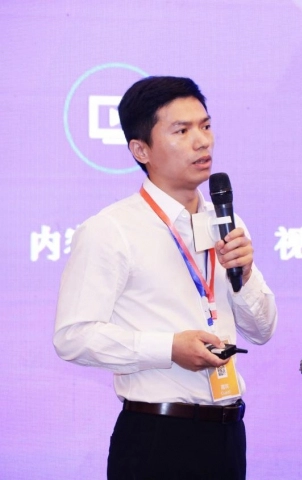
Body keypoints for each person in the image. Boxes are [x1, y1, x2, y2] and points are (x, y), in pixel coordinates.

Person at [53, 76, 277, 479]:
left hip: (228, 434)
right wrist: (168, 348)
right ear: (141, 149)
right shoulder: (111, 229)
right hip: (157, 437)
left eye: (205, 126)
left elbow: (262, 331)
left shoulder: (227, 223)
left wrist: (244, 274)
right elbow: (73, 337)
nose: (202, 141)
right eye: (182, 130)